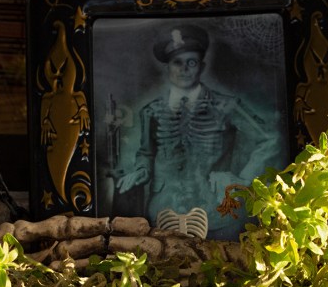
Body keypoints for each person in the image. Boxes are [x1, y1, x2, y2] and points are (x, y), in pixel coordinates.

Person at [114, 23, 280, 240]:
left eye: (191, 62)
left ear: (201, 67)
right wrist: (141, 170)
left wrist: (243, 178)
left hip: (216, 212)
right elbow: (147, 153)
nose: (184, 69)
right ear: (168, 68)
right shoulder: (151, 111)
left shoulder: (226, 106)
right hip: (163, 212)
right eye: (177, 62)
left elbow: (270, 138)